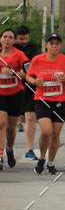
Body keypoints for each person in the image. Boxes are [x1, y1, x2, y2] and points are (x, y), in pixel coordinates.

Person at [26, 33, 65, 175]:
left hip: (60, 101)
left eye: (57, 43)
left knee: (55, 134)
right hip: (42, 100)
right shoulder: (37, 60)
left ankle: (50, 162)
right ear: (46, 45)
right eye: (51, 43)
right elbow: (28, 76)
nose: (54, 46)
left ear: (60, 45)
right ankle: (41, 158)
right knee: (47, 131)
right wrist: (35, 82)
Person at [0, 28, 28, 170]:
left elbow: (28, 73)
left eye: (10, 37)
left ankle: (9, 149)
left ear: (14, 40)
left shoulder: (19, 55)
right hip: (0, 94)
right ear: (1, 39)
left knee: (11, 127)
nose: (7, 39)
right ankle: (0, 155)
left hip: (15, 94)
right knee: (1, 123)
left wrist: (12, 73)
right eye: (5, 37)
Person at [15, 25, 40, 159]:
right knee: (8, 121)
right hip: (12, 87)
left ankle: (29, 149)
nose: (24, 41)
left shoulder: (33, 48)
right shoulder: (11, 50)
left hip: (30, 86)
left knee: (30, 117)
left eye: (26, 39)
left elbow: (35, 66)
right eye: (21, 39)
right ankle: (7, 149)